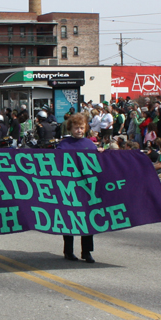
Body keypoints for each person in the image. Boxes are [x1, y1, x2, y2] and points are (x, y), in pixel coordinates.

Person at [57, 113, 103, 263]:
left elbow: (97, 165)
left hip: (87, 187)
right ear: (71, 128)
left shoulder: (90, 144)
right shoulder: (64, 145)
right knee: (70, 218)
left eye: (82, 128)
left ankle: (87, 251)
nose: (79, 130)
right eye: (76, 128)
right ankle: (68, 251)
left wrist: (102, 154)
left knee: (88, 219)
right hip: (68, 187)